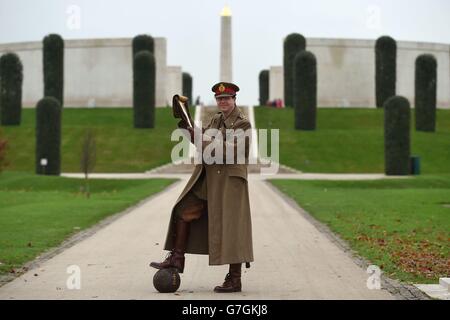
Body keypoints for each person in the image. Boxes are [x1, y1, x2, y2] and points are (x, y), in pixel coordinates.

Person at [150, 82, 253, 293]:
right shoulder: (216, 119)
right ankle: (177, 258)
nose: (222, 102)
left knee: (232, 228)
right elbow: (202, 139)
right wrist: (187, 127)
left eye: (226, 98)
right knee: (184, 210)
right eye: (219, 99)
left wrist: (201, 138)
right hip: (209, 178)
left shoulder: (243, 124)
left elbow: (232, 151)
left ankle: (235, 279)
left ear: (234, 99)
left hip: (230, 182)